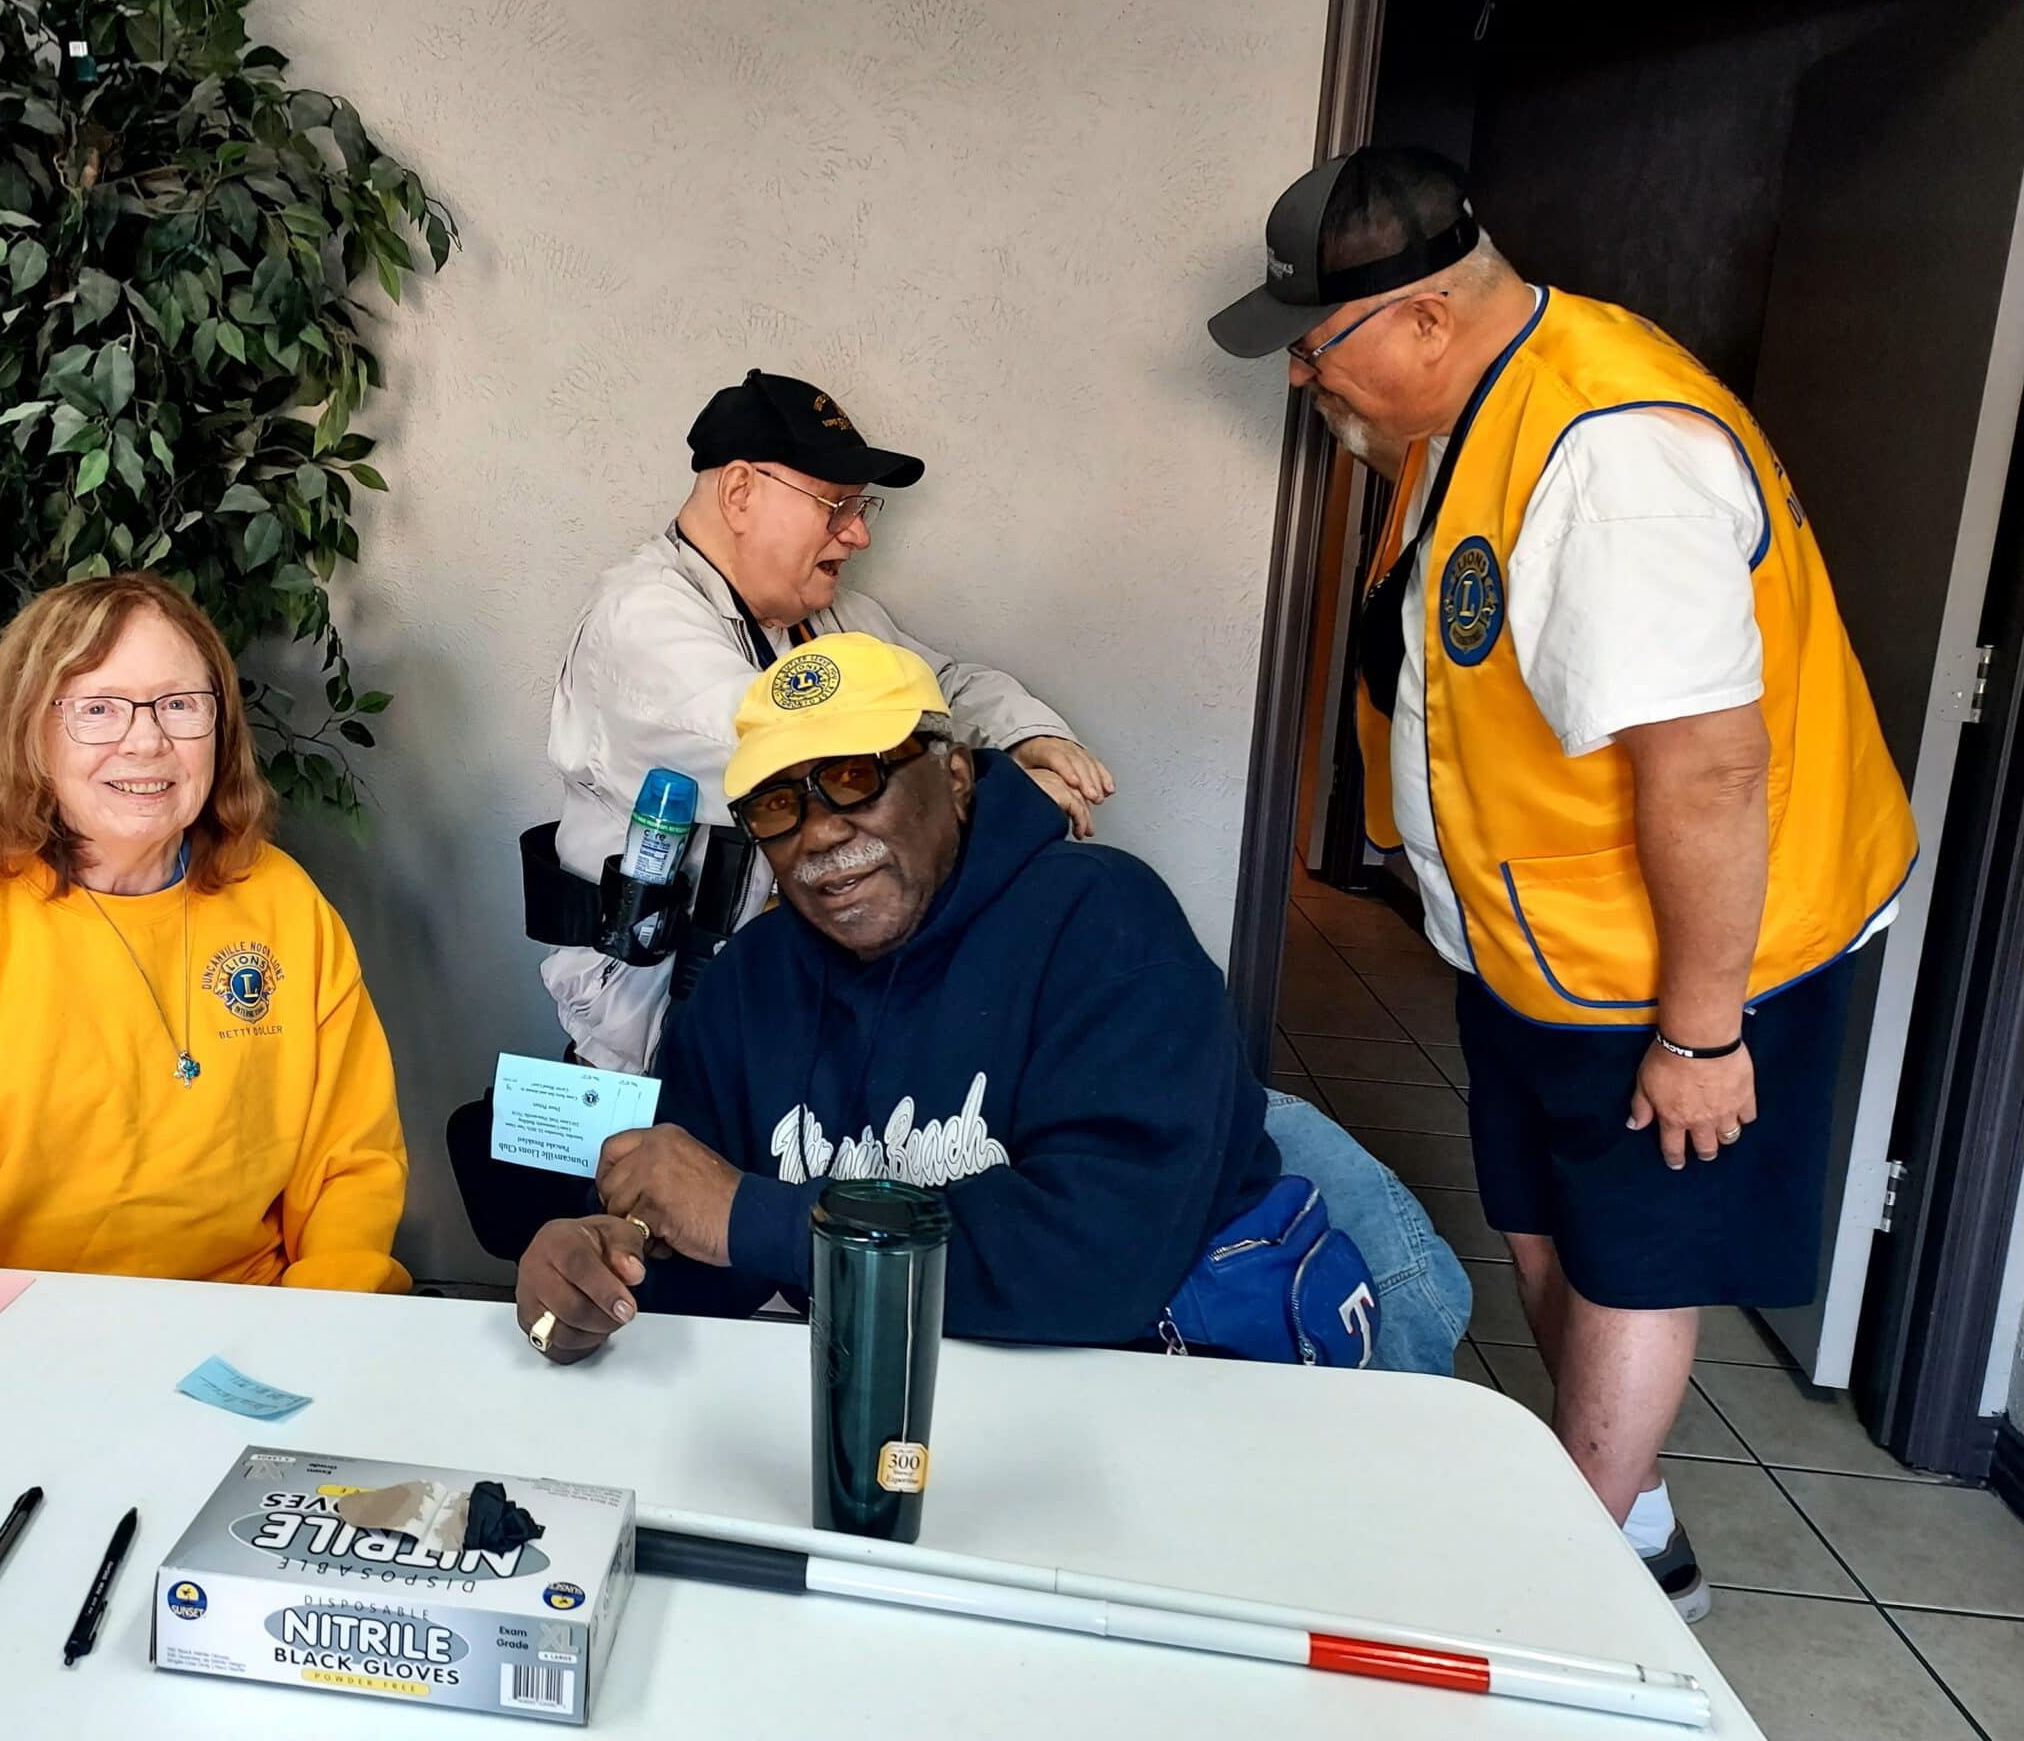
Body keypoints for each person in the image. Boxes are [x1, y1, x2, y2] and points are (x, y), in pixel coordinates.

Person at [1209, 146, 1918, 1619]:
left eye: (1316, 346)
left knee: (1634, 1254)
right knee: (1550, 1216)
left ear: (1421, 319)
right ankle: (1629, 1513)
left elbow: (1712, 768)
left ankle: (1570, 1583)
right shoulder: (1475, 420)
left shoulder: (1610, 455)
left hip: (1672, 963)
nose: (1303, 380)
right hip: (1542, 947)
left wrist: (1702, 1029)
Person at [511, 634, 1417, 1367]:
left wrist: (756, 1216)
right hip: (880, 1416)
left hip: (1137, 1397)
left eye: (857, 777)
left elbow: (1097, 1261)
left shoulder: (1105, 923)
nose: (822, 831)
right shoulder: (749, 985)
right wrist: (607, 1265)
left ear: (954, 776)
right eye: (779, 804)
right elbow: (704, 1243)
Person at [0, 572, 410, 1291]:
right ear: (30, 729)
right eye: (99, 709)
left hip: (246, 1334)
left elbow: (350, 1172)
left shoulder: (282, 901)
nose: (146, 742)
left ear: (220, 727)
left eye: (178, 705)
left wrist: (315, 1336)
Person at [541, 368, 1114, 1076]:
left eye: (861, 505)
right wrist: (1007, 794)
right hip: (662, 1041)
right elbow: (801, 766)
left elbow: (946, 687)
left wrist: (1031, 735)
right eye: (835, 505)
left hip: (794, 1009)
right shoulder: (642, 623)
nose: (860, 535)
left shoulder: (818, 614)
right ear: (741, 492)